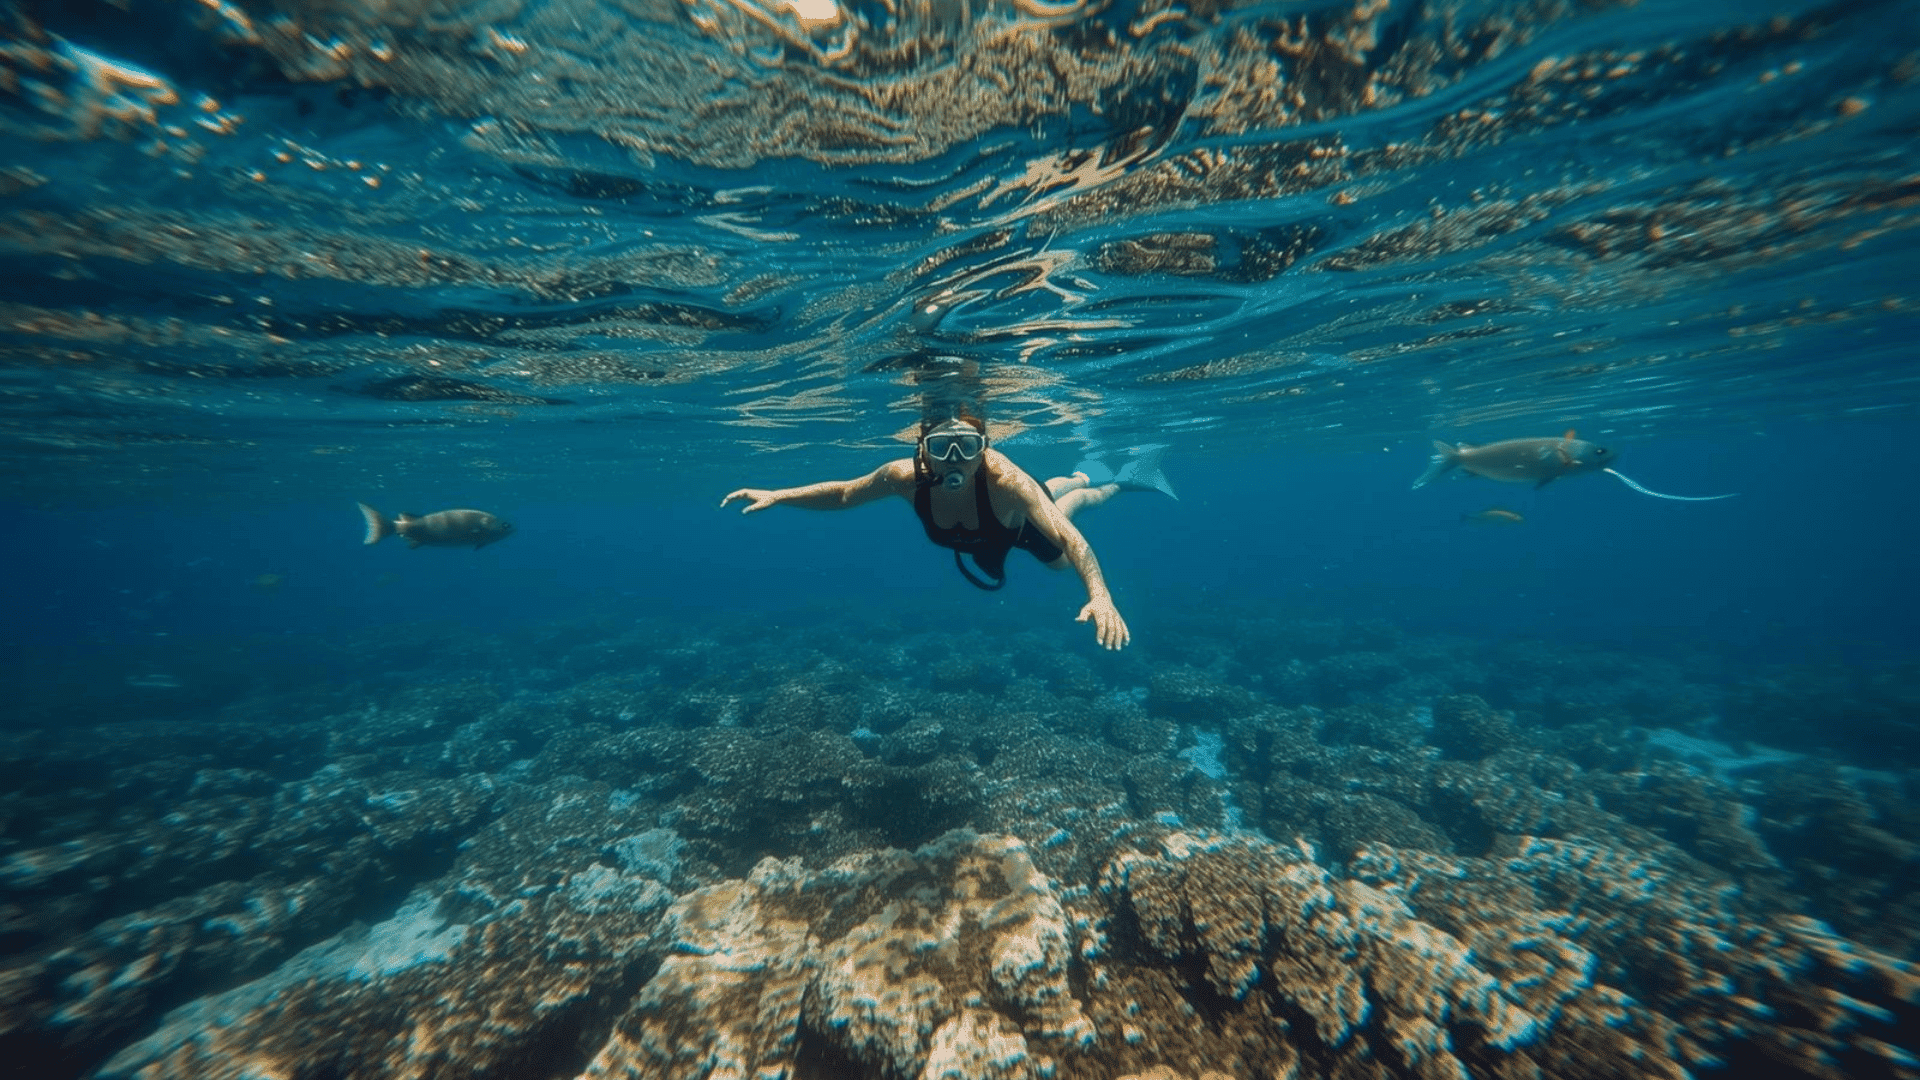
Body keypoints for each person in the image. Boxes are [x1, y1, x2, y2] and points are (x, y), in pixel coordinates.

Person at [719, 412, 1175, 650]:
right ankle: (1071, 479)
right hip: (981, 539)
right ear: (923, 451)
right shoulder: (901, 476)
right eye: (942, 446)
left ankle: (1103, 479)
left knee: (1060, 533)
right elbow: (842, 494)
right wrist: (780, 493)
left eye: (968, 446)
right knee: (1041, 502)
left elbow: (1074, 542)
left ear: (984, 450)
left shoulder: (1006, 482)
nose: (955, 457)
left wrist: (1100, 594)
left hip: (1013, 525)